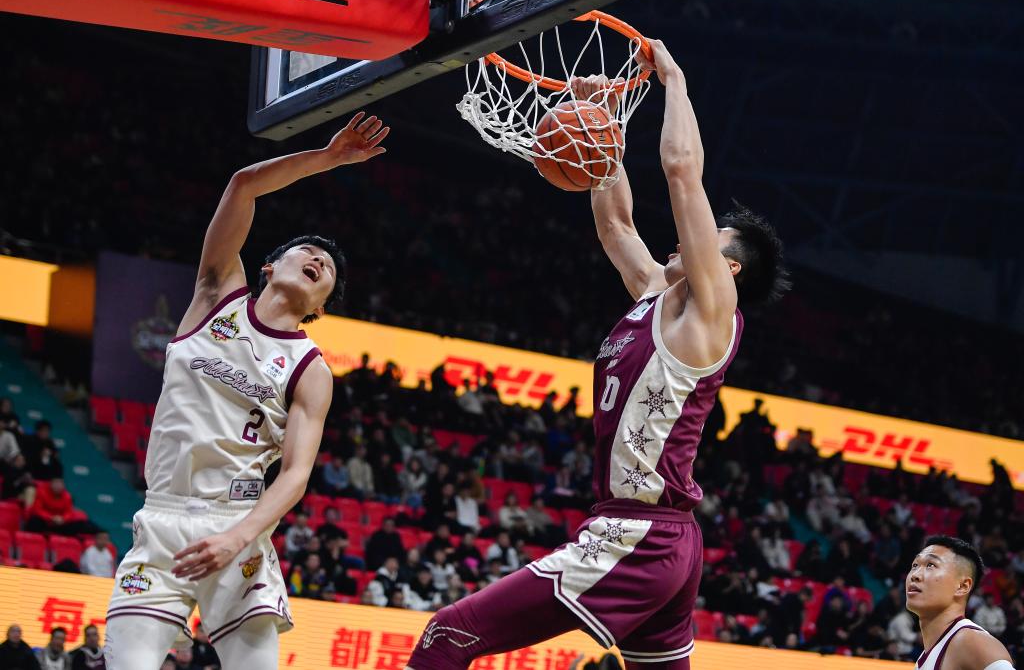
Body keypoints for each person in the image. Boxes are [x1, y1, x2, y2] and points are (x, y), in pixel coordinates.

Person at [406, 40, 788, 670]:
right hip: (660, 535)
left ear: (728, 269)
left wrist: (673, 80)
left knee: (448, 635)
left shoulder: (712, 311)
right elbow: (616, 227)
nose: (684, 239)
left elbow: (681, 171)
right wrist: (599, 125)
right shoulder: (655, 296)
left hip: (637, 534)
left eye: (708, 236)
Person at [103, 112, 389, 670]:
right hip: (161, 520)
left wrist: (237, 537)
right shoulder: (217, 295)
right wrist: (327, 158)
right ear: (268, 266)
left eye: (328, 268)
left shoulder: (311, 369)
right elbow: (243, 185)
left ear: (321, 306)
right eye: (307, 252)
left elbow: (296, 476)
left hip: (238, 527)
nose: (318, 260)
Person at [906, 535, 1014, 670]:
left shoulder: (970, 641)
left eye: (931, 565)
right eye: (915, 565)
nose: (915, 575)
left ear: (962, 586)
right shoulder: (924, 659)